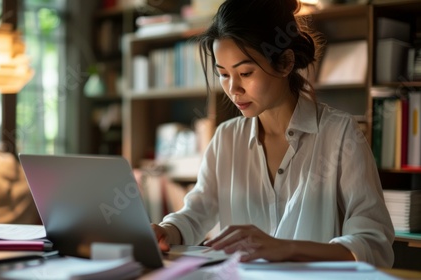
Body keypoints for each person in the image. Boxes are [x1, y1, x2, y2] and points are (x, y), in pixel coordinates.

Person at [151, 0, 394, 268]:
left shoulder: (340, 134)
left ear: (285, 62)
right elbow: (196, 212)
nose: (233, 89)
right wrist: (167, 231)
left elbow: (374, 243)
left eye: (245, 72)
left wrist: (286, 248)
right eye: (223, 74)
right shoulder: (226, 139)